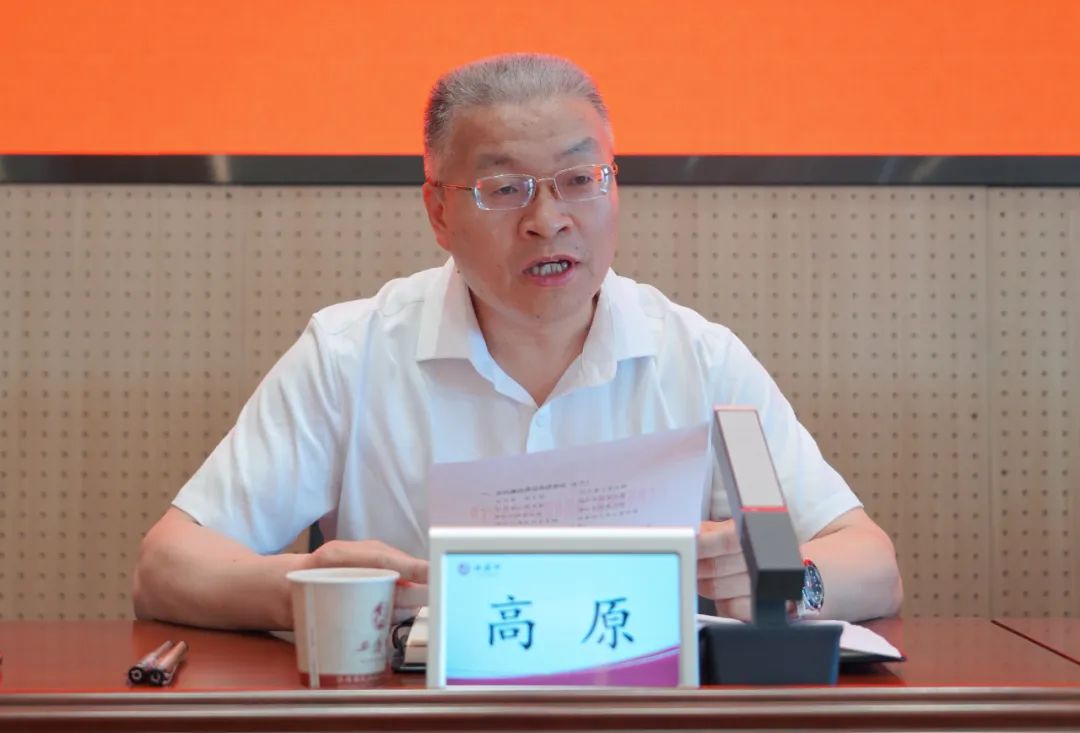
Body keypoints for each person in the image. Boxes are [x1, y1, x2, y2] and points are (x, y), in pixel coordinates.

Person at [133, 53, 902, 630]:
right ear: (439, 212)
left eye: (579, 179)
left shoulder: (699, 358)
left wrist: (785, 581)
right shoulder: (350, 354)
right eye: (505, 189)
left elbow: (870, 560)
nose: (548, 220)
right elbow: (166, 565)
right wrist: (310, 583)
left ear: (614, 186)